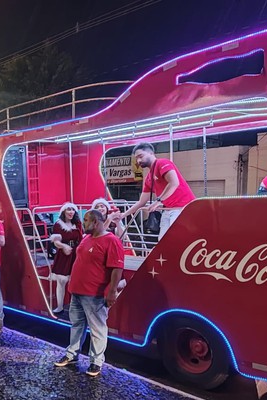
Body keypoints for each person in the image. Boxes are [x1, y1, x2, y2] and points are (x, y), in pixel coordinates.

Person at [54, 210, 124, 377]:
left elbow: (117, 268)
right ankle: (72, 355)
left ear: (95, 223)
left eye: (86, 220)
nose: (83, 223)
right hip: (77, 292)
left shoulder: (111, 241)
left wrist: (112, 291)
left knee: (97, 329)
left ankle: (96, 362)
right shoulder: (87, 238)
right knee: (77, 325)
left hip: (95, 295)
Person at [122, 142, 195, 239]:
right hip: (167, 210)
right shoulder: (149, 178)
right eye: (137, 158)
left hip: (182, 208)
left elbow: (174, 183)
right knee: (163, 241)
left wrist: (158, 201)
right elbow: (141, 202)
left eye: (141, 156)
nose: (139, 160)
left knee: (177, 240)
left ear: (151, 153)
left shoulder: (163, 163)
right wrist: (123, 215)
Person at [50, 202, 83, 314]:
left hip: (76, 254)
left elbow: (82, 238)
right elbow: (56, 242)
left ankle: (75, 308)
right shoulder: (58, 225)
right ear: (63, 212)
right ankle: (60, 306)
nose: (71, 212)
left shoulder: (77, 224)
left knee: (76, 282)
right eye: (68, 209)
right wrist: (64, 246)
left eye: (73, 210)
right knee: (61, 282)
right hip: (64, 256)